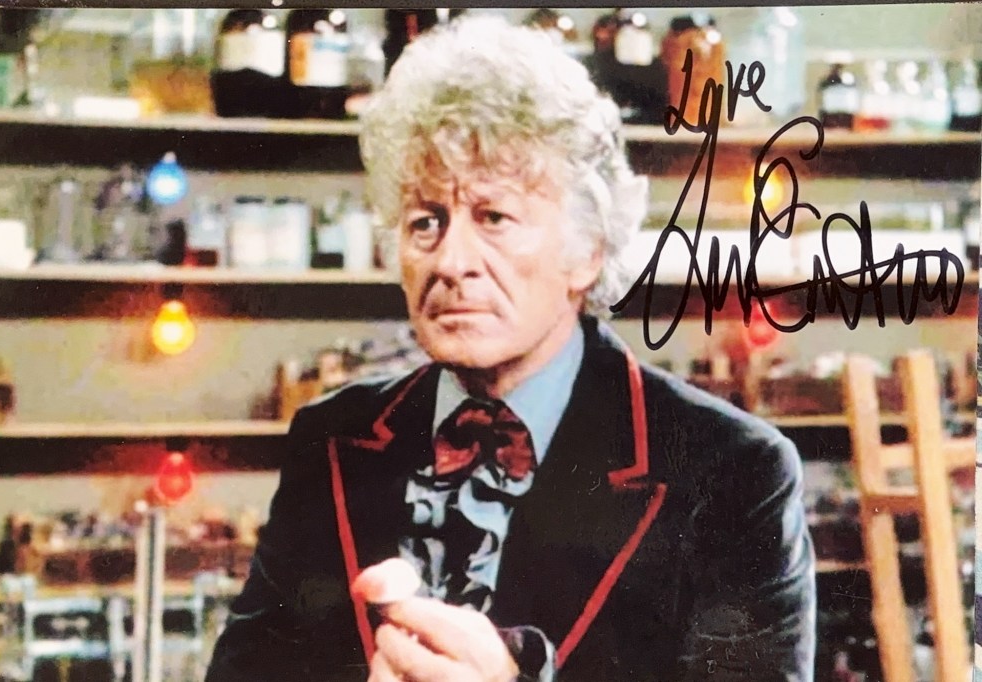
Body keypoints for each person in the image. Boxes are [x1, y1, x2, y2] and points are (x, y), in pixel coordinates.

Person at [205, 15, 815, 682]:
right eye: (425, 222)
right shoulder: (331, 440)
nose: (451, 261)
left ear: (586, 250)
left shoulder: (733, 471)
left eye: (494, 217)